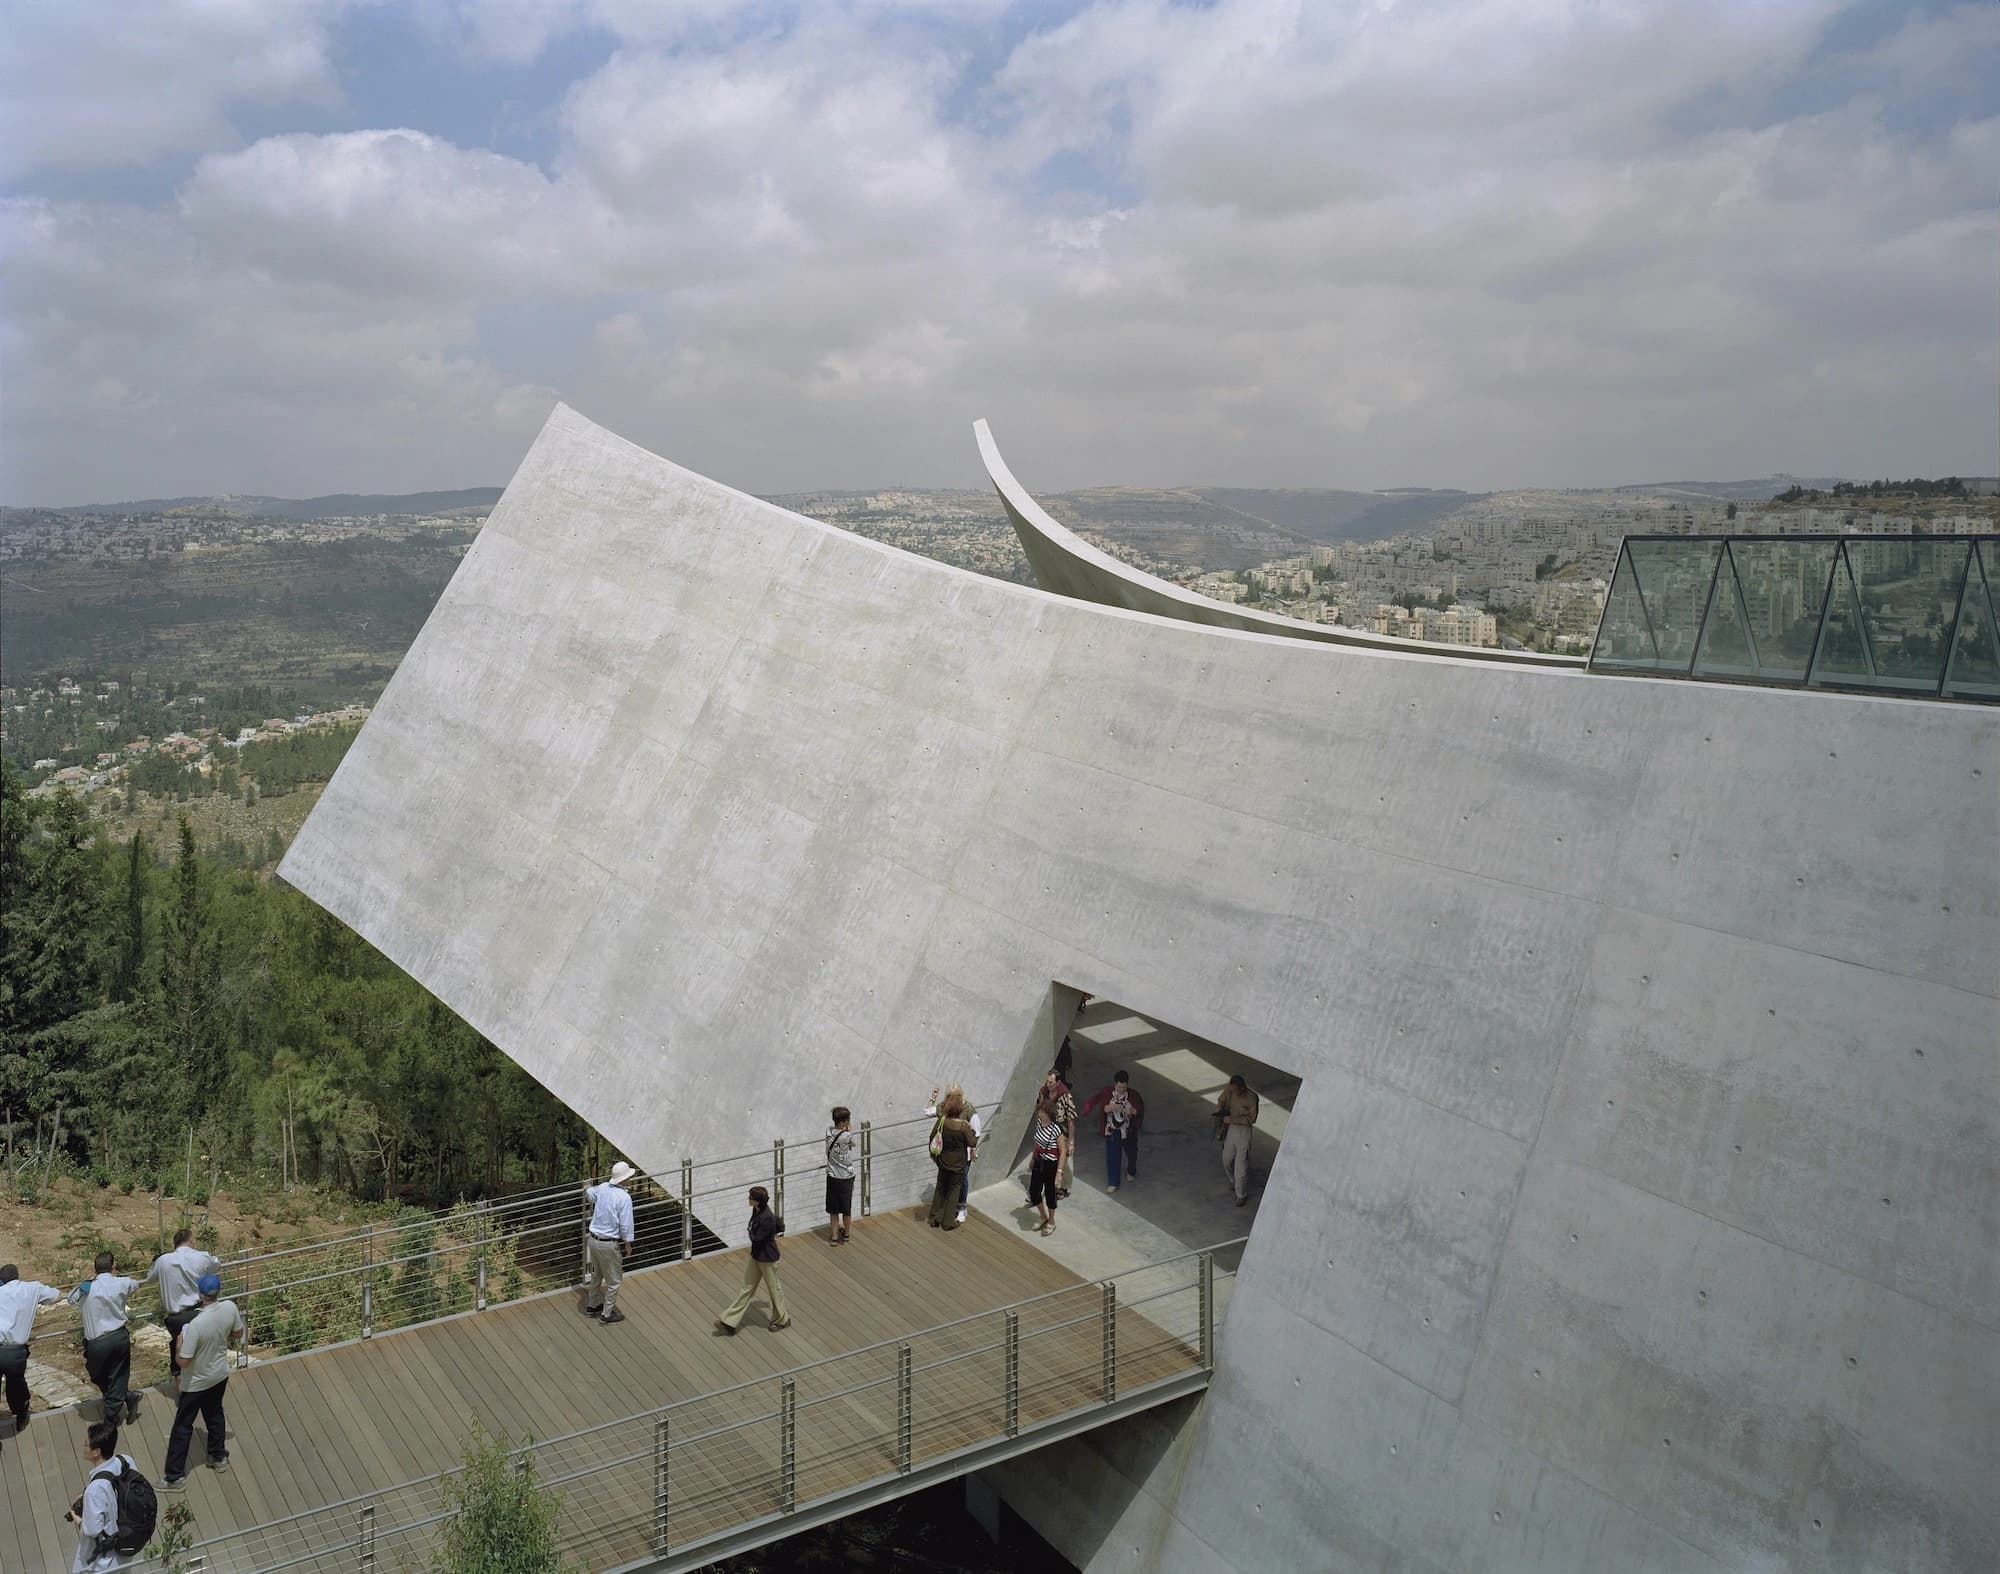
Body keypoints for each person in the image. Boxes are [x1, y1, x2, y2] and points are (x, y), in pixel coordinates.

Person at [161, 1273, 243, 1490]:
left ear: (200, 1294)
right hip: (219, 1375)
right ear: (219, 1291)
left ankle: (174, 1476)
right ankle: (218, 1456)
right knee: (215, 1414)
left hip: (196, 1382)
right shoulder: (229, 1308)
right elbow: (237, 1332)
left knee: (182, 1427)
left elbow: (184, 1361)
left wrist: (179, 1346)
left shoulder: (195, 1325)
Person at [68, 1251, 141, 1424]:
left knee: (101, 1375)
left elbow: (71, 1299)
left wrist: (88, 1281)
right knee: (116, 1376)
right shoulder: (122, 1283)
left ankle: (110, 1420)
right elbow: (135, 1284)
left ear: (95, 1269)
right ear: (113, 1266)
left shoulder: (87, 1288)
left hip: (97, 1342)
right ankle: (127, 1397)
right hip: (118, 1337)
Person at [146, 1228, 220, 1389]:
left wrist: (156, 1261)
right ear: (191, 1241)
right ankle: (204, 1384)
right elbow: (216, 1265)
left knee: (178, 1348)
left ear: (174, 1244)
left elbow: (149, 1278)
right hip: (197, 1313)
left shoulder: (163, 1260)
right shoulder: (200, 1256)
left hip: (175, 1318)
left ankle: (181, 1387)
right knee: (202, 1349)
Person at [714, 1187, 789, 1334]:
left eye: (750, 1197)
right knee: (747, 1288)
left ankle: (782, 1319)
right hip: (757, 1256)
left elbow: (757, 1238)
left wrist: (749, 1230)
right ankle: (730, 1321)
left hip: (767, 1259)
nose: (748, 1199)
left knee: (774, 1289)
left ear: (757, 1200)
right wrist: (751, 1230)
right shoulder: (757, 1210)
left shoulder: (766, 1217)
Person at [65, 1420, 136, 1572]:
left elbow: (92, 1530)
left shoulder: (95, 1490)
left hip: (103, 1560)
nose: (84, 1446)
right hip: (126, 1544)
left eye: (86, 1444)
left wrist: (76, 1518)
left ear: (96, 1452)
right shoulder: (125, 1461)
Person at [0, 1264, 62, 1434]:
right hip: (16, 1352)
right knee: (16, 1385)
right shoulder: (32, 1288)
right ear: (17, 1276)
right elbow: (55, 1295)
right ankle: (21, 1415)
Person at [583, 1160, 637, 1325]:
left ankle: (593, 1305)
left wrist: (586, 1186)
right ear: (624, 1179)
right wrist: (628, 1243)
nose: (631, 1179)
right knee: (614, 1280)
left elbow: (591, 1194)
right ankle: (607, 1314)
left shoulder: (604, 1187)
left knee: (597, 1275)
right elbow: (626, 1223)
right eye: (629, 1177)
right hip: (608, 1243)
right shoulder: (624, 1198)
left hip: (593, 1239)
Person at [924, 1086, 985, 1225]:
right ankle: (949, 1220)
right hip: (959, 1162)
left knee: (941, 1187)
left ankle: (935, 1217)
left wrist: (933, 1097)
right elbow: (973, 1140)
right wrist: (969, 1128)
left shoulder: (942, 1119)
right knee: (955, 1189)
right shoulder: (963, 1125)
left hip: (943, 1159)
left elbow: (931, 1131)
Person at [1080, 1070, 1145, 1192]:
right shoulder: (1107, 1092)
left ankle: (1131, 1170)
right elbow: (1098, 1102)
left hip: (1128, 1130)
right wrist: (1109, 1108)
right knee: (1112, 1156)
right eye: (1119, 1087)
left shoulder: (1134, 1095)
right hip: (1112, 1130)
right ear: (1115, 1084)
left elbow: (1139, 1110)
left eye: (1124, 1087)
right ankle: (1113, 1182)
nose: (1121, 1089)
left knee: (1132, 1153)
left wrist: (1132, 1111)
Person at [1215, 1074, 1260, 1207]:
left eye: (1235, 1090)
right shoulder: (1230, 1089)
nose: (1232, 1092)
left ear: (1242, 1088)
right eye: (1231, 1089)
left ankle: (1241, 1195)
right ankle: (1232, 1180)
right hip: (1231, 1128)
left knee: (1241, 1166)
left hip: (1244, 1131)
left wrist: (1233, 1120)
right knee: (1226, 1158)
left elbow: (1252, 1119)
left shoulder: (1252, 1097)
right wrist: (1219, 1108)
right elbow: (1222, 1099)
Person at [1027, 1099, 1066, 1236]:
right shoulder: (1039, 1123)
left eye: (1042, 1111)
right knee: (1034, 1191)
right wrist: (1033, 1158)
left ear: (1048, 1113)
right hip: (1039, 1161)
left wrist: (1059, 1173)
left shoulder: (1056, 1129)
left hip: (1051, 1165)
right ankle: (1043, 1215)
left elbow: (1062, 1152)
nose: (1040, 1113)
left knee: (1050, 1194)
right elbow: (1036, 1142)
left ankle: (1051, 1221)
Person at [825, 1107, 857, 1244]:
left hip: (832, 1175)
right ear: (844, 1121)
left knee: (833, 1209)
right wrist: (848, 1129)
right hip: (846, 1176)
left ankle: (834, 1236)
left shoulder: (828, 1132)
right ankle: (846, 1234)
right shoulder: (847, 1136)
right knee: (846, 1208)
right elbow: (853, 1144)